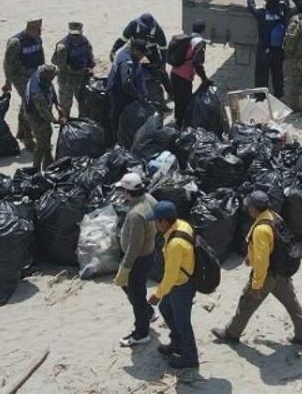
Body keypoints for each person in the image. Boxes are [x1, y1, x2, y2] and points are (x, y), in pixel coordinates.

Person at [212, 191, 302, 348]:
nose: (248, 209)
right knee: (292, 304)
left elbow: (262, 261)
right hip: (280, 271)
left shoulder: (261, 229)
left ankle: (231, 334)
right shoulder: (274, 217)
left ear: (254, 209)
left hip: (267, 275)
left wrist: (256, 285)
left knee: (247, 303)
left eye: (249, 206)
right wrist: (249, 255)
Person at [147, 200, 198, 370]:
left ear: (164, 222)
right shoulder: (182, 225)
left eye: (156, 221)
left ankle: (190, 357)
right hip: (180, 282)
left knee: (183, 323)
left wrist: (157, 294)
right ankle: (177, 343)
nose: (155, 224)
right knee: (166, 309)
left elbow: (171, 275)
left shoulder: (175, 244)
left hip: (181, 285)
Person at [112, 173, 157, 348]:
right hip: (148, 253)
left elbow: (135, 246)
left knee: (136, 295)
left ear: (127, 192)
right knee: (132, 289)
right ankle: (148, 312)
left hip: (139, 259)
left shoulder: (136, 214)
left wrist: (125, 267)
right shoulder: (149, 199)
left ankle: (141, 333)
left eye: (123, 190)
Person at [3, 19, 45, 151]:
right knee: (30, 103)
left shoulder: (37, 39)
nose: (39, 33)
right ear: (29, 29)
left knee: (26, 102)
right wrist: (8, 81)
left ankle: (21, 130)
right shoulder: (16, 42)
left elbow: (41, 56)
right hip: (20, 76)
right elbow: (8, 63)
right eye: (37, 31)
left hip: (34, 75)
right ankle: (28, 138)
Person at [112, 13, 170, 107]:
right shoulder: (133, 25)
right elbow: (123, 39)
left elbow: (163, 49)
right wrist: (114, 50)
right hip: (136, 48)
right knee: (131, 70)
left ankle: (170, 92)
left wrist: (163, 64)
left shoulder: (158, 30)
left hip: (150, 49)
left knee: (161, 70)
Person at [247, 0, 291, 100]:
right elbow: (286, 0)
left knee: (261, 75)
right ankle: (278, 95)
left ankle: (260, 97)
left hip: (264, 52)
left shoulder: (261, 14)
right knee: (277, 74)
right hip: (278, 51)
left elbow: (251, 5)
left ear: (266, 5)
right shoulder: (282, 15)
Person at [169, 20, 209, 127]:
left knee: (179, 103)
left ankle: (177, 124)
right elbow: (198, 63)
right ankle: (180, 127)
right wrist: (204, 78)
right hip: (184, 78)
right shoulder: (199, 42)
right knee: (185, 105)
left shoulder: (186, 38)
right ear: (204, 30)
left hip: (174, 74)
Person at [51, 22, 95, 118]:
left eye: (77, 34)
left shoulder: (85, 42)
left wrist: (90, 68)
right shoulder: (63, 46)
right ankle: (65, 124)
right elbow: (58, 64)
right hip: (67, 80)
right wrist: (76, 70)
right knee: (65, 106)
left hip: (82, 78)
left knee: (84, 104)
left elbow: (90, 57)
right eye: (73, 35)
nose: (75, 37)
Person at [107, 39, 149, 140]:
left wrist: (144, 92)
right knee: (118, 117)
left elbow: (138, 77)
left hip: (125, 91)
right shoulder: (126, 61)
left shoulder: (132, 57)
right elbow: (126, 84)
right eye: (142, 53)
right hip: (118, 93)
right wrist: (138, 95)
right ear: (135, 50)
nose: (143, 56)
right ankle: (116, 140)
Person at [24, 64, 62, 170]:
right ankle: (35, 168)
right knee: (41, 143)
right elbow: (43, 111)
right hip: (35, 117)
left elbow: (51, 88)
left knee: (48, 134)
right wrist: (56, 120)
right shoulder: (36, 91)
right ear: (47, 75)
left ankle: (48, 163)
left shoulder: (42, 76)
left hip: (42, 112)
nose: (55, 77)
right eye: (53, 75)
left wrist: (57, 105)